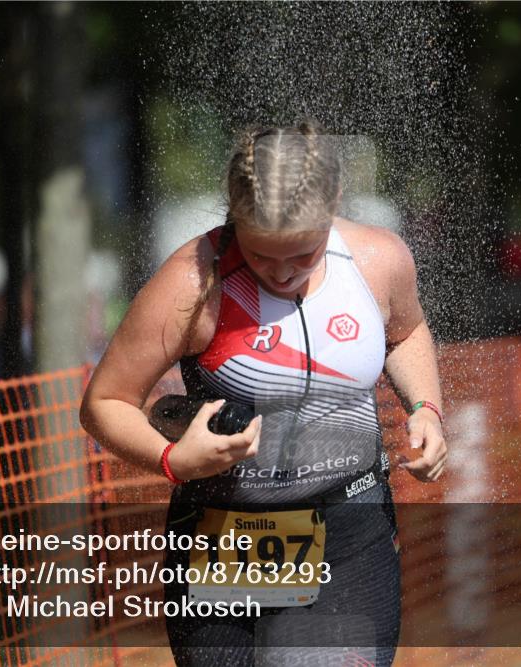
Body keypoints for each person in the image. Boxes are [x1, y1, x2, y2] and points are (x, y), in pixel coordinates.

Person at [80, 121, 447, 666]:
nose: (282, 273)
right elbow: (104, 403)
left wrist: (427, 408)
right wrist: (173, 459)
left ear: (334, 206)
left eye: (303, 254)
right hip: (222, 536)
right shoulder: (191, 282)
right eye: (261, 254)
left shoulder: (378, 260)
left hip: (350, 534)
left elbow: (406, 331)